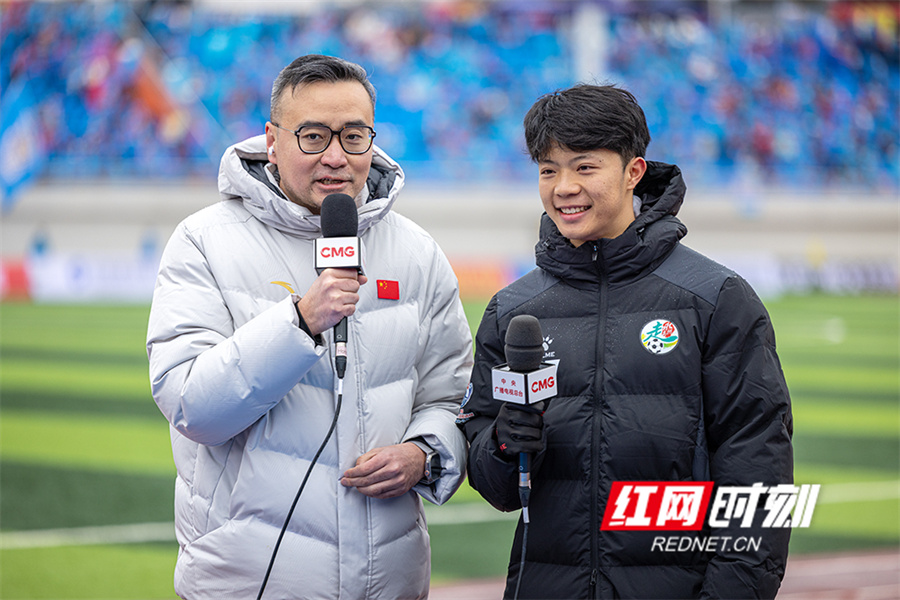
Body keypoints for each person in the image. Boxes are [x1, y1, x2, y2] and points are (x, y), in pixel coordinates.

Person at [147, 54, 473, 599]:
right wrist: (300, 321)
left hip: (388, 582)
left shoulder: (418, 252)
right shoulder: (203, 242)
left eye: (353, 136)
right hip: (249, 583)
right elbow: (191, 405)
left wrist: (424, 453)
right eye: (314, 136)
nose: (336, 157)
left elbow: (454, 398)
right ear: (272, 141)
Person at [457, 84, 793, 599]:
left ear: (634, 171)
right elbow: (495, 485)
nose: (564, 187)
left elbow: (759, 471)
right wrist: (505, 445)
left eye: (584, 167)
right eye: (548, 170)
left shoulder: (716, 299)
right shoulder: (512, 310)